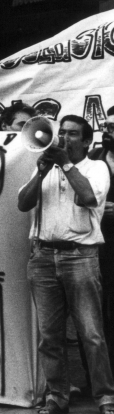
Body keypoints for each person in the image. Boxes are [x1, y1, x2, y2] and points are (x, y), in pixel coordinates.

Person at [17, 114, 114, 414]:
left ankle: (105, 396)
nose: (65, 138)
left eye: (73, 134)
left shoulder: (97, 168)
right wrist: (42, 172)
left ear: (87, 141)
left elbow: (87, 197)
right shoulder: (45, 167)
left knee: (91, 334)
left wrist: (68, 166)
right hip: (43, 257)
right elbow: (23, 202)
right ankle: (57, 396)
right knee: (50, 335)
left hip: (80, 257)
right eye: (63, 133)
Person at [89, 107, 114, 376]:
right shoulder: (94, 158)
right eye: (106, 127)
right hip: (99, 248)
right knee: (97, 317)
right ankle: (100, 377)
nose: (108, 132)